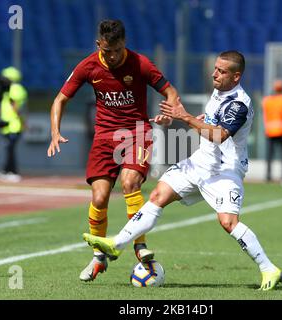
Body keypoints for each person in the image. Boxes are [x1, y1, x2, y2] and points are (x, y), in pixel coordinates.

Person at [83, 51, 282, 291]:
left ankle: (268, 268)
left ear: (236, 76)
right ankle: (118, 243)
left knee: (228, 222)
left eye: (221, 71)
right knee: (158, 195)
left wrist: (185, 117)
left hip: (224, 170)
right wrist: (181, 118)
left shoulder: (238, 103)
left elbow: (219, 135)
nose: (214, 74)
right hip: (200, 162)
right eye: (215, 68)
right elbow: (211, 120)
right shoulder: (220, 91)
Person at [47, 19, 177, 282]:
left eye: (117, 50)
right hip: (105, 137)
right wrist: (55, 132)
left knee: (130, 182)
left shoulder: (140, 63)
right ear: (99, 45)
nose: (114, 56)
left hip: (137, 133)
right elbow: (60, 100)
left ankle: (139, 245)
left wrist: (170, 111)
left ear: (124, 44)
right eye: (108, 51)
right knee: (99, 198)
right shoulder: (88, 66)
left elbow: (170, 92)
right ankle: (98, 257)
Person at [0, 67, 28, 183]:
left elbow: (16, 106)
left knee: (10, 149)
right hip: (8, 124)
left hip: (14, 125)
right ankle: (7, 170)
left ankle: (12, 172)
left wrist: (23, 122)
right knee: (9, 149)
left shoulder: (14, 89)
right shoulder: (8, 89)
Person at [261, 79, 282, 184]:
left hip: (270, 131)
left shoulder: (267, 100)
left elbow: (263, 112)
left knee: (269, 155)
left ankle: (268, 176)